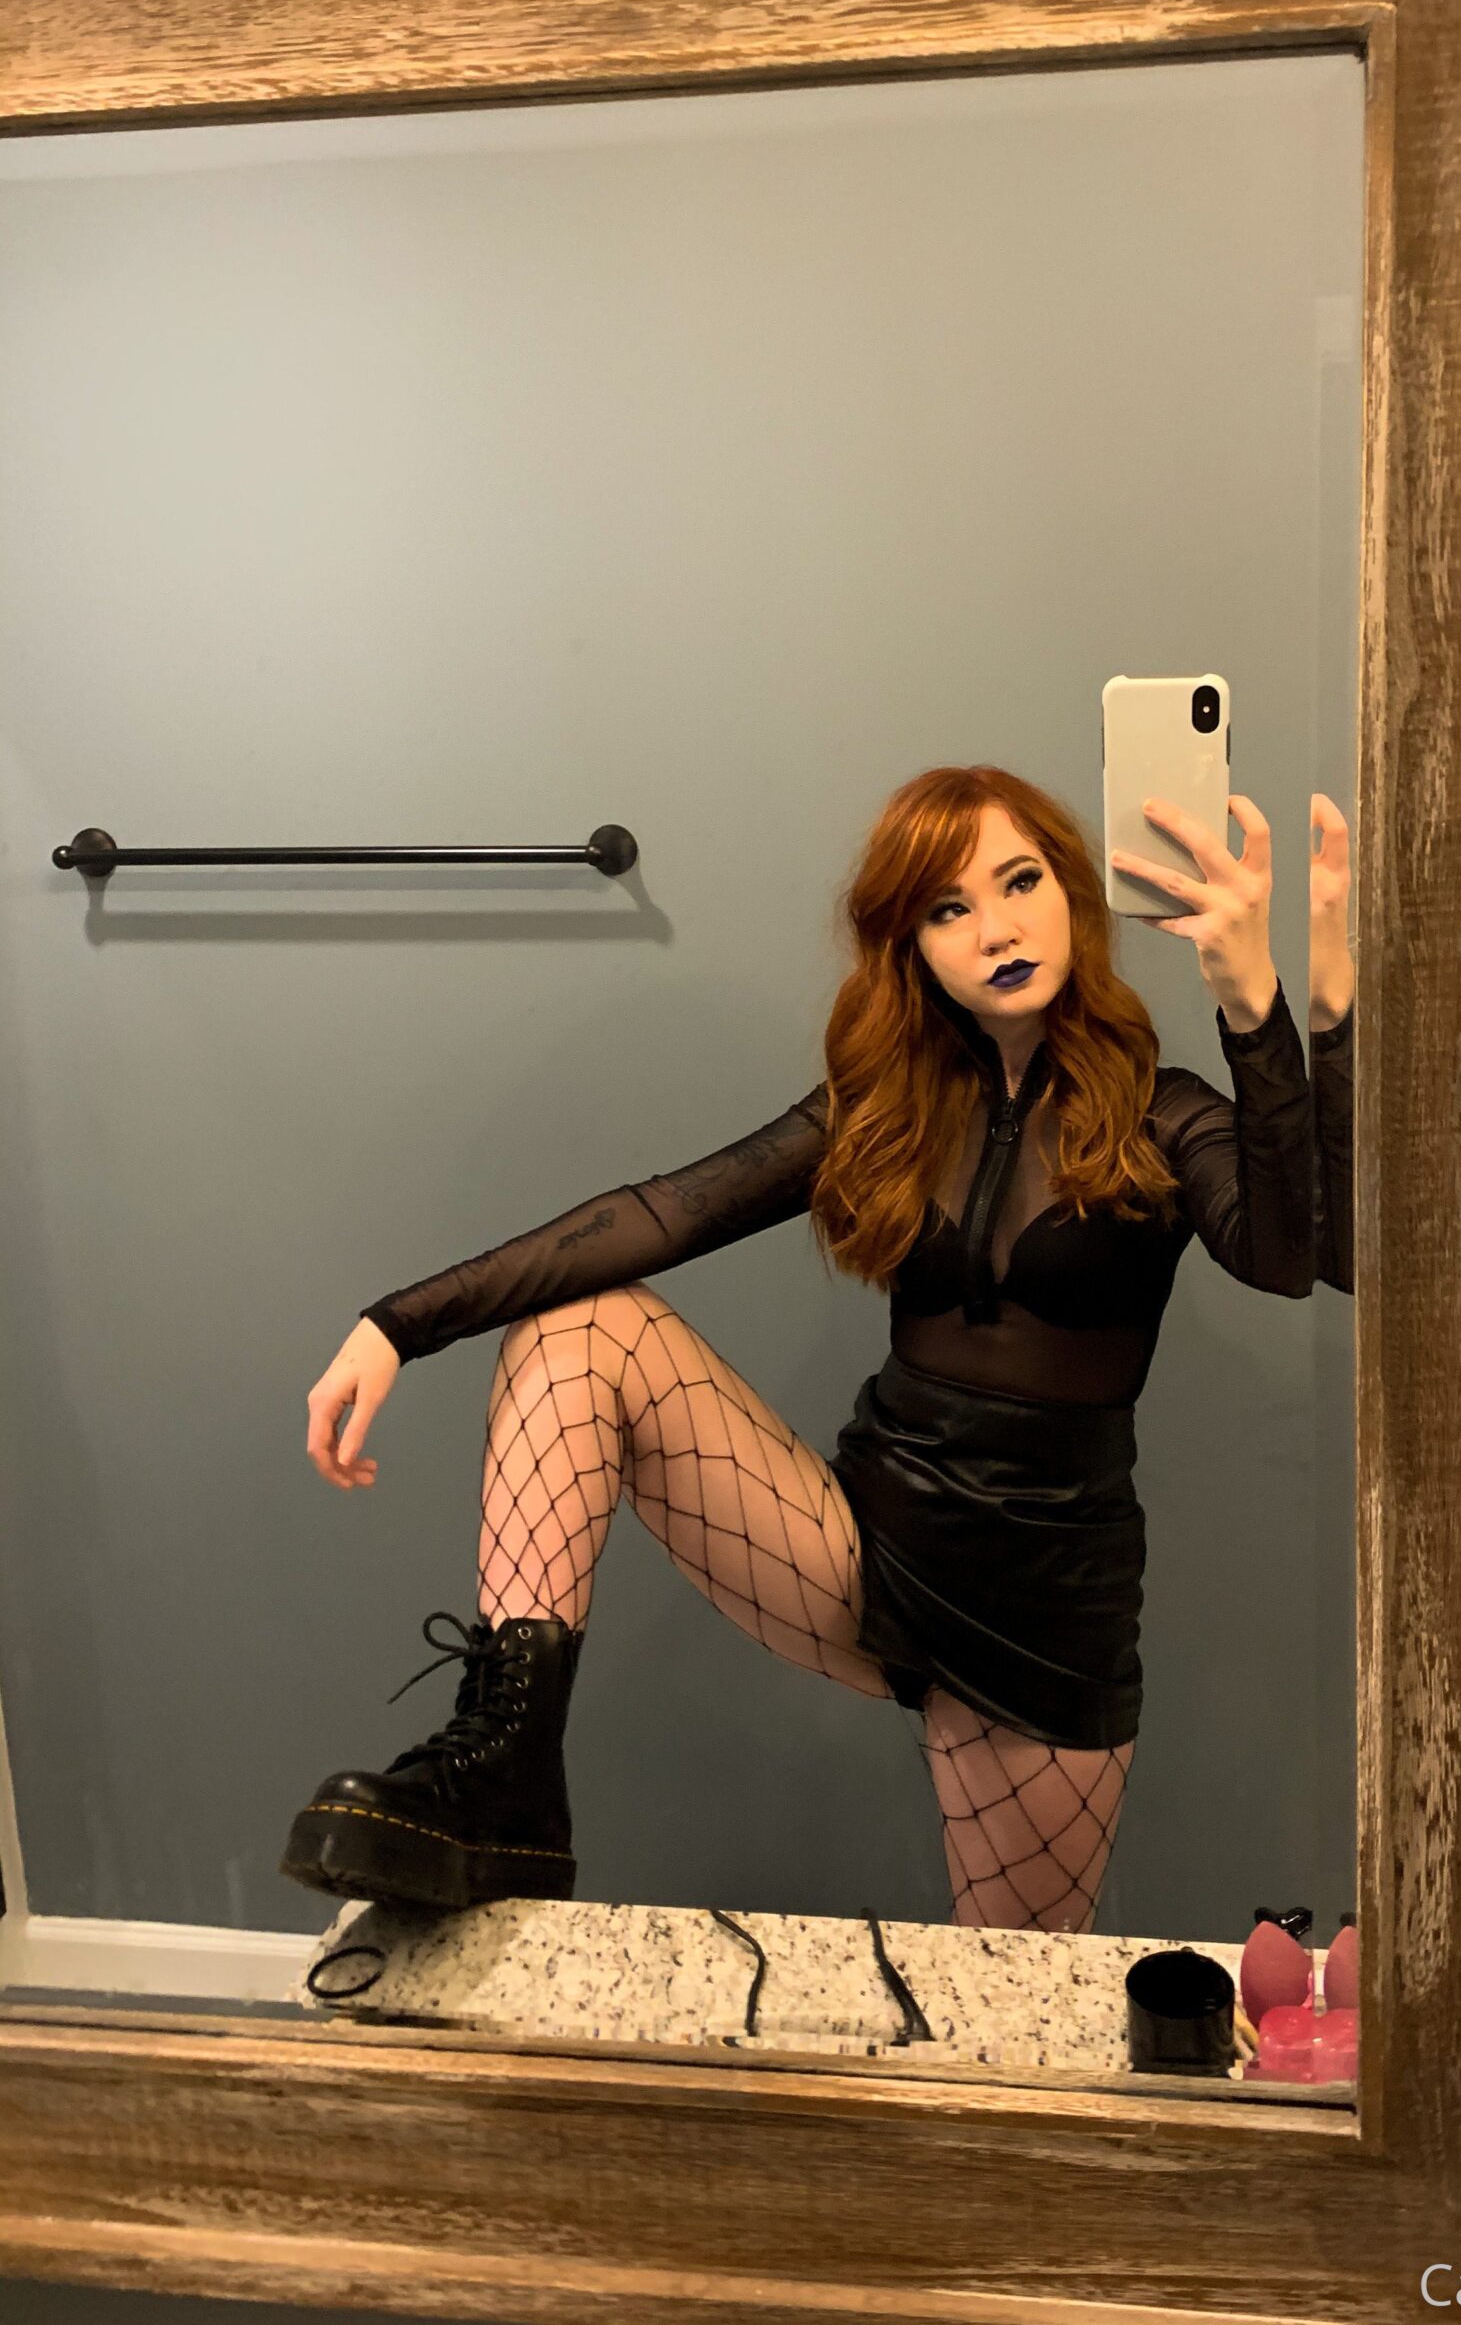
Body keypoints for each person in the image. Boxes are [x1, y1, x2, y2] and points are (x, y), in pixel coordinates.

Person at [282, 764, 1354, 1936]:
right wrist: (400, 1322)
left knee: (1011, 1984)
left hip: (1042, 1610)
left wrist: (1276, 1010)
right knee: (584, 1325)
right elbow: (662, 1212)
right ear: (911, 945)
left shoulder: (1161, 1106)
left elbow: (1296, 1255)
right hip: (860, 1543)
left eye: (1020, 882)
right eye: (948, 908)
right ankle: (503, 1778)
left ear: (1072, 894)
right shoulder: (885, 1104)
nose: (995, 929)